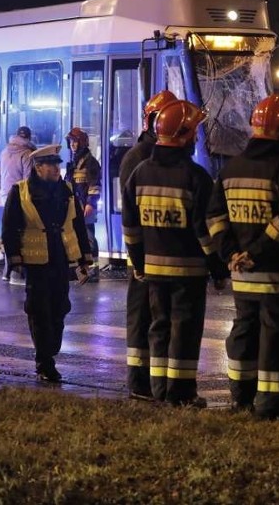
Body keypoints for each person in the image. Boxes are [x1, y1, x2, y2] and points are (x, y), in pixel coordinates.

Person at [121, 100, 226, 406]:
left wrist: (139, 263)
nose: (196, 138)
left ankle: (158, 389)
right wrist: (218, 269)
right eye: (193, 133)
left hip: (152, 272)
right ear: (183, 135)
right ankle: (180, 394)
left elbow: (131, 228)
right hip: (188, 273)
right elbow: (204, 232)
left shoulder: (140, 173)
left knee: (158, 328)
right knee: (184, 332)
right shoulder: (196, 177)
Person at [207, 94, 279, 420]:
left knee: (244, 334)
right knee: (278, 339)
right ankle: (275, 407)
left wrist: (231, 253)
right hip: (276, 275)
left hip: (242, 276)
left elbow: (216, 218)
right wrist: (256, 253)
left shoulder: (232, 167)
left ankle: (242, 399)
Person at [2, 144, 93, 382]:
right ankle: (44, 361)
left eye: (57, 164)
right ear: (38, 167)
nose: (56, 169)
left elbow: (77, 225)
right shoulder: (21, 191)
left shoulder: (66, 191)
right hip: (36, 262)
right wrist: (14, 259)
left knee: (60, 307)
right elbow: (9, 228)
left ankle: (49, 350)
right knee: (39, 310)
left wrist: (85, 257)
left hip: (61, 258)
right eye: (51, 165)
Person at [118, 90, 178, 399]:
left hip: (157, 254)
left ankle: (154, 382)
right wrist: (137, 258)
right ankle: (139, 381)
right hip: (143, 256)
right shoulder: (139, 158)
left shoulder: (155, 155)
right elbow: (134, 213)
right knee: (141, 318)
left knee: (158, 320)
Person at [0, 125, 36, 283]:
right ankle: (18, 273)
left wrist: (3, 191)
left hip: (6, 196)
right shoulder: (27, 154)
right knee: (21, 233)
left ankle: (7, 271)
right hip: (20, 198)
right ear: (28, 138)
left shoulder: (4, 152)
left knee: (8, 231)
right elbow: (28, 181)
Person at [66, 126, 102, 277]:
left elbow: (95, 185)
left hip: (85, 207)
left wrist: (90, 204)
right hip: (75, 207)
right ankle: (83, 268)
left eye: (75, 142)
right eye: (71, 142)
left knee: (89, 237)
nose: (72, 145)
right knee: (78, 237)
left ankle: (93, 268)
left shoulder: (90, 162)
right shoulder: (74, 162)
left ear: (82, 143)